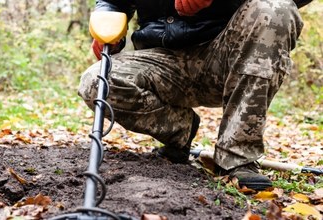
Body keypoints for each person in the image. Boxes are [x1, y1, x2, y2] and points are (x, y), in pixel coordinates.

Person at [78, 0, 312, 191]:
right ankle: (181, 132)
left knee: (276, 8)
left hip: (226, 54)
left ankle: (237, 157)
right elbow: (112, 2)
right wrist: (107, 21)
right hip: (161, 60)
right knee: (97, 81)